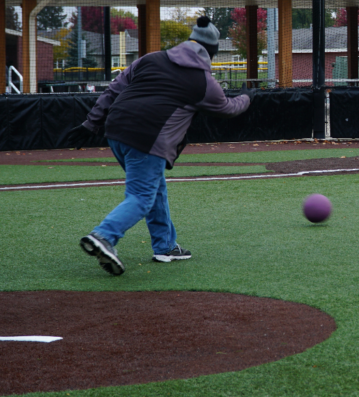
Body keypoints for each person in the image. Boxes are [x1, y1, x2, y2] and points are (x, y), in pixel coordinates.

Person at [65, 16, 252, 276]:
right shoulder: (202, 81)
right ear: (212, 51)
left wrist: (90, 123)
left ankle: (165, 246)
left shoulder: (150, 59)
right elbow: (227, 108)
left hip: (116, 132)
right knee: (141, 197)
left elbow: (113, 91)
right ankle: (104, 236)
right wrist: (247, 97)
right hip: (147, 140)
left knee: (156, 188)